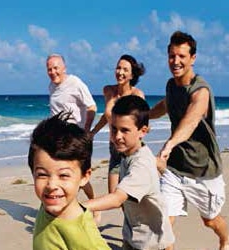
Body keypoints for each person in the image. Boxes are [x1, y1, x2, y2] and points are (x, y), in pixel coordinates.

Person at [149, 31, 229, 250]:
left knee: (210, 220)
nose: (176, 61)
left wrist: (170, 143)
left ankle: (226, 240)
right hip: (175, 168)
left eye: (182, 56)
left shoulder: (200, 90)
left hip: (204, 171)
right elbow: (166, 105)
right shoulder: (171, 85)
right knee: (165, 222)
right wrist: (144, 117)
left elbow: (192, 119)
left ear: (193, 58)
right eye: (172, 56)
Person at [84, 95, 175, 250]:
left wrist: (77, 207)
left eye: (125, 130)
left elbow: (117, 199)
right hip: (133, 236)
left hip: (151, 244)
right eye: (114, 128)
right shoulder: (128, 155)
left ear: (143, 131)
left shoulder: (141, 165)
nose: (117, 136)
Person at [28, 111, 111, 250]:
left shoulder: (85, 238)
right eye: (42, 174)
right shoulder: (50, 204)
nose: (51, 185)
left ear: (84, 177)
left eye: (64, 175)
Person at [46, 53, 99, 221]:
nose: (53, 72)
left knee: (79, 175)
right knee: (61, 174)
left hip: (76, 139)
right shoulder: (51, 86)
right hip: (58, 139)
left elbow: (92, 106)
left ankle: (95, 205)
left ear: (64, 68)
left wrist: (86, 131)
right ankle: (63, 208)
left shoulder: (75, 83)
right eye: (49, 69)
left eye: (56, 68)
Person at [91, 54, 145, 193]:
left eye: (125, 70)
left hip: (131, 149)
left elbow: (142, 123)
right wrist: (92, 132)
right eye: (118, 68)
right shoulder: (108, 91)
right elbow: (107, 116)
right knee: (113, 193)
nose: (120, 72)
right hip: (114, 148)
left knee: (130, 195)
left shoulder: (137, 95)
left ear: (132, 75)